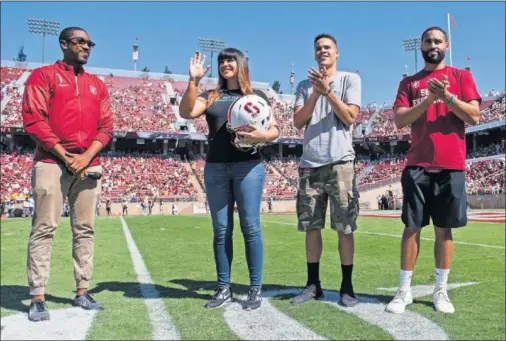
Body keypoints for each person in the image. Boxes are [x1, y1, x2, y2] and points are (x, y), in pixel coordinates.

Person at [385, 26, 481, 314]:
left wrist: (448, 98)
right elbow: (400, 121)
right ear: (421, 46)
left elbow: (474, 116)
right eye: (427, 40)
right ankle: (404, 290)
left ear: (446, 45)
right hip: (418, 164)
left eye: (437, 40)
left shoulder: (461, 77)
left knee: (444, 230)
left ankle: (441, 290)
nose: (432, 44)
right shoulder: (410, 83)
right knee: (411, 228)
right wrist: (429, 100)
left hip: (451, 165)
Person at [22, 26, 113, 322]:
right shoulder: (43, 76)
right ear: (63, 44)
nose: (87, 46)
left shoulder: (97, 85)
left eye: (90, 42)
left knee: (85, 228)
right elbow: (35, 120)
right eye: (80, 42)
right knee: (45, 227)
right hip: (50, 160)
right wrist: (65, 155)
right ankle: (37, 296)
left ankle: (82, 291)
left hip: (88, 163)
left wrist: (85, 157)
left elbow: (106, 127)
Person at [179, 48, 280, 310]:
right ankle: (223, 287)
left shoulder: (256, 96)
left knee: (251, 227)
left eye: (230, 60)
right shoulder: (211, 96)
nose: (225, 64)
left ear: (241, 64)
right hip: (216, 167)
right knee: (221, 230)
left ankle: (254, 289)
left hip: (248, 166)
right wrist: (193, 80)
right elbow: (187, 112)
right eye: (221, 60)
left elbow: (275, 130)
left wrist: (262, 137)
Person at [291, 33, 361, 307]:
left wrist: (328, 91)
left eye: (327, 47)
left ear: (337, 52)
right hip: (310, 163)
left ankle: (347, 286)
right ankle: (313, 284)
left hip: (341, 163)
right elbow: (298, 121)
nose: (322, 51)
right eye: (318, 48)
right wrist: (316, 92)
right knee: (312, 227)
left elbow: (350, 117)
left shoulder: (349, 80)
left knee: (344, 227)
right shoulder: (303, 85)